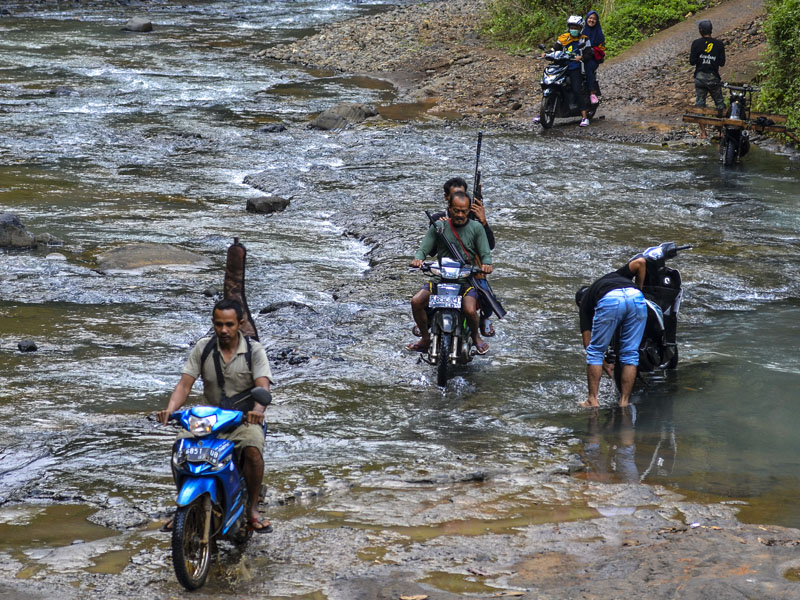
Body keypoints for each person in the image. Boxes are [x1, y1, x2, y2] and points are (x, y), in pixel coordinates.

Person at [157, 299, 275, 533]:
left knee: (252, 448)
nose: (223, 330)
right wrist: (170, 409)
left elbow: (263, 386)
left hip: (242, 419)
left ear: (240, 324)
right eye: (218, 324)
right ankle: (182, 502)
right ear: (213, 323)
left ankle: (252, 508)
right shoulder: (203, 348)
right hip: (208, 420)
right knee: (180, 447)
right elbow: (184, 385)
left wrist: (257, 412)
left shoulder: (254, 351)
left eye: (229, 324)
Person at [408, 190, 493, 354]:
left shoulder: (476, 228)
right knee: (416, 302)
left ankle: (476, 337)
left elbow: (485, 253)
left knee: (469, 309)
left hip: (466, 281)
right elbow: (424, 248)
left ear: (469, 211)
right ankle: (425, 338)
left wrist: (487, 264)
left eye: (464, 211)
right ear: (449, 208)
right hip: (440, 278)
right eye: (456, 210)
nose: (460, 214)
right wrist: (418, 259)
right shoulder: (439, 227)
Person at [431, 177, 497, 336]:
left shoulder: (472, 217)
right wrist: (444, 231)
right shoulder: (437, 220)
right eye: (455, 195)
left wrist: (483, 222)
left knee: (488, 296)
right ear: (447, 197)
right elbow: (431, 251)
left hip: (470, 270)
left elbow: (490, 246)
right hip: (446, 269)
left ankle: (484, 319)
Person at [576, 271, 647, 407]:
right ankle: (624, 401)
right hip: (636, 297)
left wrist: (604, 364)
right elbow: (640, 262)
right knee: (630, 353)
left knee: (595, 352)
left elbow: (588, 344)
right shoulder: (613, 276)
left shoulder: (585, 302)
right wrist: (639, 288)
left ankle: (592, 400)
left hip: (611, 300)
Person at [537, 15, 593, 127]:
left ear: (580, 28)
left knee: (576, 89)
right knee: (549, 83)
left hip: (574, 67)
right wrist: (546, 53)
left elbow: (589, 53)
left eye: (576, 27)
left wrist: (580, 57)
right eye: (571, 27)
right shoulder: (563, 38)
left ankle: (584, 117)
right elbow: (555, 49)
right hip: (561, 66)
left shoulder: (584, 39)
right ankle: (542, 113)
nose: (573, 29)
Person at [690, 19, 726, 139]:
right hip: (713, 78)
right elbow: (722, 63)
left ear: (700, 31)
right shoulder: (719, 44)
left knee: (700, 103)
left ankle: (703, 133)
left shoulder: (696, 43)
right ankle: (720, 132)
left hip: (700, 78)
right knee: (719, 103)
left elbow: (692, 62)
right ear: (711, 30)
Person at [581, 10, 605, 105]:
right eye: (590, 18)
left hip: (593, 58)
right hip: (579, 56)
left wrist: (592, 50)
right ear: (586, 19)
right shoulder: (581, 31)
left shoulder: (599, 34)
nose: (592, 20)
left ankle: (592, 92)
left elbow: (602, 48)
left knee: (588, 67)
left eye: (594, 19)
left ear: (597, 21)